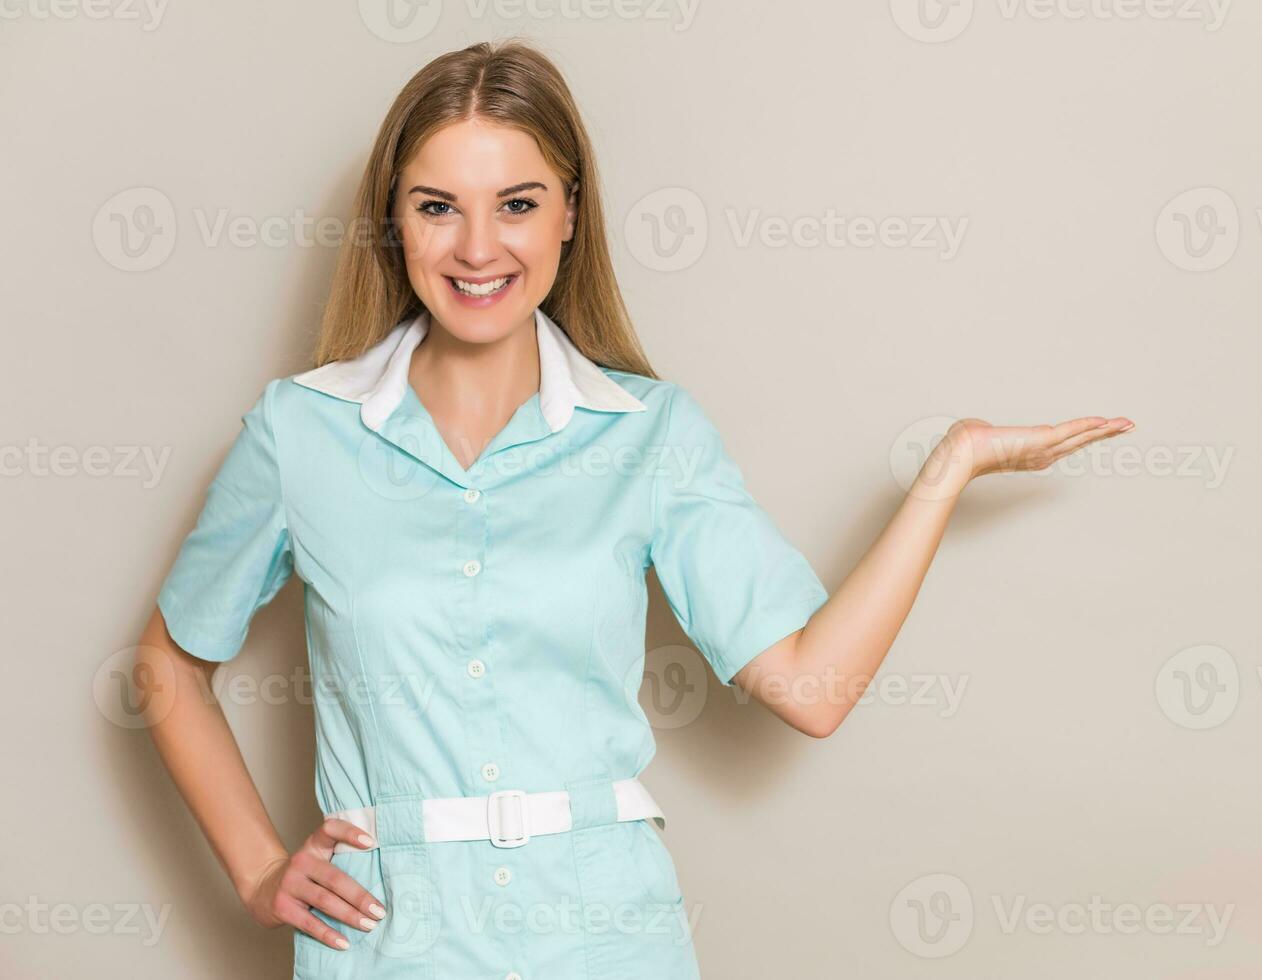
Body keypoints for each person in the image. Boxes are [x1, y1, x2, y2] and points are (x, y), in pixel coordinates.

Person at [135, 39, 1134, 980]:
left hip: (607, 936)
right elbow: (169, 661)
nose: (478, 246)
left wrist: (946, 471)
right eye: (438, 206)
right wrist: (260, 866)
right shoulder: (301, 433)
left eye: (516, 203)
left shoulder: (651, 433)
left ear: (571, 212)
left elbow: (810, 688)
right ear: (394, 221)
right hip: (390, 938)